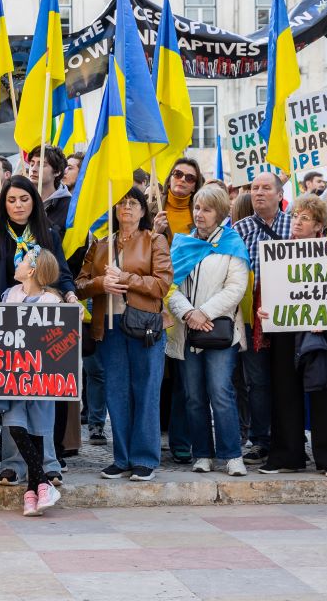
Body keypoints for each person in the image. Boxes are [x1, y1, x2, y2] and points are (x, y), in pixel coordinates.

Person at [0, 176, 78, 479]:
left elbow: (62, 274)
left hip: (43, 328)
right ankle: (13, 465)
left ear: (34, 202)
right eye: (12, 200)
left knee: (43, 398)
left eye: (24, 199)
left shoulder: (49, 234)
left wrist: (70, 296)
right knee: (12, 398)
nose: (18, 205)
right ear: (3, 204)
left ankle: (49, 464)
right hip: (7, 329)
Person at [76, 187, 173, 482]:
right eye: (121, 203)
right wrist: (101, 284)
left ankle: (144, 458)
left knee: (146, 391)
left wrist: (125, 279)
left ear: (143, 210)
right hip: (109, 327)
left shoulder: (155, 240)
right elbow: (79, 285)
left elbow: (162, 285)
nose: (126, 207)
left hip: (145, 326)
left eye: (133, 203)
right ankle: (122, 458)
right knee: (116, 393)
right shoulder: (100, 244)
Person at [256, 194, 327, 477]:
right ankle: (288, 456)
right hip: (286, 331)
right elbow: (268, 293)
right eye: (295, 216)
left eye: (305, 218)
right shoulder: (279, 253)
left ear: (319, 225)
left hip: (323, 332)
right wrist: (264, 310)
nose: (297, 222)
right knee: (285, 391)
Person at [166, 184, 249, 477]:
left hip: (219, 330)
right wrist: (189, 313)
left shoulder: (232, 243)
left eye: (207, 209)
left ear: (221, 213)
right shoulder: (182, 244)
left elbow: (236, 287)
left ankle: (232, 455)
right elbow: (169, 285)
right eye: (197, 208)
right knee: (193, 395)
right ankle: (202, 453)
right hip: (188, 329)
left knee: (221, 392)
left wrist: (204, 312)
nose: (199, 214)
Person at [233, 173, 292, 464]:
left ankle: (288, 437)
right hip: (251, 317)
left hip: (290, 317)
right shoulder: (240, 228)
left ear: (280, 195)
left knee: (285, 378)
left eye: (266, 188)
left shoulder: (294, 225)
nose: (258, 193)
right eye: (255, 188)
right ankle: (260, 440)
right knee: (256, 381)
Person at [2, 248, 64, 516]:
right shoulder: (10, 295)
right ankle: (44, 484)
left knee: (37, 431)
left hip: (41, 378)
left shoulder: (52, 301)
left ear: (32, 271)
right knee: (16, 426)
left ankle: (33, 490)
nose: (17, 263)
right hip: (14, 377)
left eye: (23, 260)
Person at [151, 158, 204, 465]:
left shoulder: (200, 214)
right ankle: (149, 439)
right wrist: (154, 231)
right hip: (155, 300)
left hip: (188, 301)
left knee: (184, 376)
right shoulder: (152, 209)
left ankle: (181, 441)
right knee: (155, 376)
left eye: (190, 177)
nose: (182, 180)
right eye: (178, 174)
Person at [28, 146, 72, 236]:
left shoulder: (70, 207)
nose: (33, 169)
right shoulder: (21, 201)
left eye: (41, 165)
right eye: (32, 164)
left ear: (57, 171)